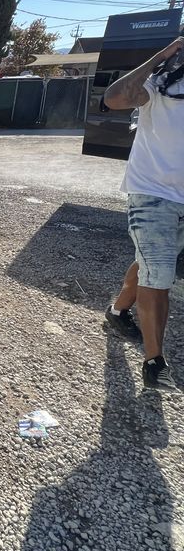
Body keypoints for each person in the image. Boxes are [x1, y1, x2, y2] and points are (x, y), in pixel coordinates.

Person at [103, 33, 184, 390]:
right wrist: (163, 54)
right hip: (152, 194)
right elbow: (114, 98)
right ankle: (155, 364)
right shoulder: (159, 86)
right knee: (159, 273)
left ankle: (118, 312)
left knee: (152, 262)